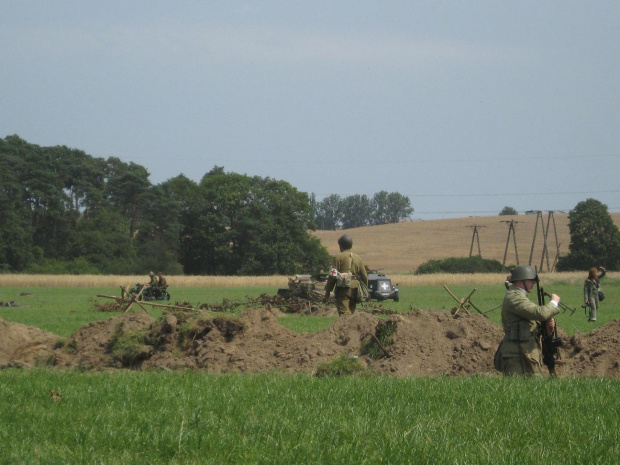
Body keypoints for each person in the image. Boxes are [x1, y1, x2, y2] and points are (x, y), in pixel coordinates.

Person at [495, 265, 560, 376]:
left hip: (525, 352)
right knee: (516, 389)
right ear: (521, 280)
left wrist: (547, 327)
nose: (534, 283)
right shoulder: (514, 297)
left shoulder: (520, 295)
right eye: (531, 280)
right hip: (516, 355)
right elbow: (540, 313)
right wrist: (554, 302)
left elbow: (528, 322)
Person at [324, 234, 368, 316]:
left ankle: (347, 328)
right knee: (351, 312)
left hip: (343, 289)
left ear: (341, 246)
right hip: (355, 288)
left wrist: (328, 290)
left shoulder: (338, 257)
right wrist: (365, 290)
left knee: (344, 314)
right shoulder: (357, 257)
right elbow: (364, 276)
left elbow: (333, 275)